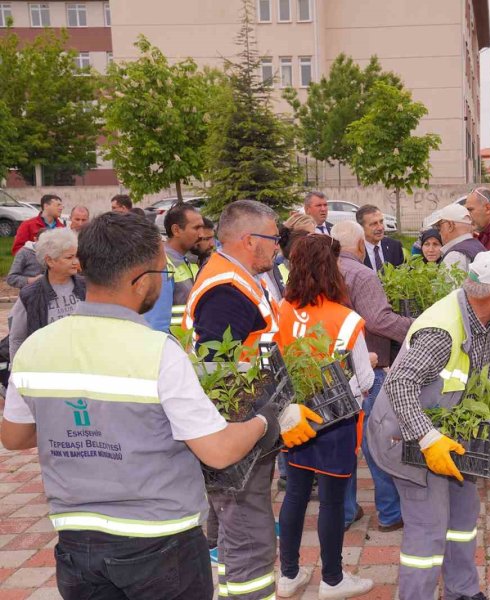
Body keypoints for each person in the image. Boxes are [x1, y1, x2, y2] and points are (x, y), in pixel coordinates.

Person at [0, 211, 289, 600]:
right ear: (141, 281)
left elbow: (15, 437)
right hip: (159, 543)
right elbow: (219, 451)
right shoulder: (157, 353)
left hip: (76, 543)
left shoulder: (37, 346)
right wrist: (266, 420)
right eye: (162, 273)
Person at [367, 250, 490, 600]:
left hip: (453, 438)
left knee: (463, 518)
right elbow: (399, 384)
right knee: (428, 532)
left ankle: (462, 591)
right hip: (407, 440)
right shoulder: (443, 330)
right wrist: (427, 438)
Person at [182, 199, 283, 600]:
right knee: (250, 538)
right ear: (249, 240)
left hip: (245, 429)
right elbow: (217, 370)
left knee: (234, 531)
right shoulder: (227, 290)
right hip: (238, 435)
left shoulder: (240, 278)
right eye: (274, 239)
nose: (278, 246)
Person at [274, 234, 375, 599]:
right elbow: (364, 380)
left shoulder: (281, 309)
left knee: (295, 494)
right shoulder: (346, 319)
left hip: (295, 418)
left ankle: (288, 575)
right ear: (331, 271)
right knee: (332, 500)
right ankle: (332, 579)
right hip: (336, 421)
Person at [333, 220, 413, 532]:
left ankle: (346, 510)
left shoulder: (325, 269)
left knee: (343, 441)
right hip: (368, 365)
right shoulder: (361, 273)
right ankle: (390, 513)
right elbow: (378, 320)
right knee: (376, 439)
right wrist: (416, 325)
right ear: (358, 245)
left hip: (334, 369)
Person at [9, 228, 83, 360]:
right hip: (45, 367)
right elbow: (17, 339)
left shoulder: (86, 287)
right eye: (69, 257)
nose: (76, 262)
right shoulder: (30, 295)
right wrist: (18, 372)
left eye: (76, 256)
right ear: (50, 261)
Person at [144, 202, 204, 334]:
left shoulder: (189, 261)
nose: (201, 235)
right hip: (172, 348)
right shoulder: (162, 264)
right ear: (176, 230)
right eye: (196, 228)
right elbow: (157, 324)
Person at [426, 203, 485, 271]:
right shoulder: (478, 246)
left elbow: (448, 281)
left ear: (450, 225)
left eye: (439, 226)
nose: (439, 232)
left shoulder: (454, 256)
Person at [357, 204, 404, 271]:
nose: (380, 228)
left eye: (381, 222)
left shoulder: (395, 246)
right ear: (361, 227)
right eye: (374, 224)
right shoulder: (355, 250)